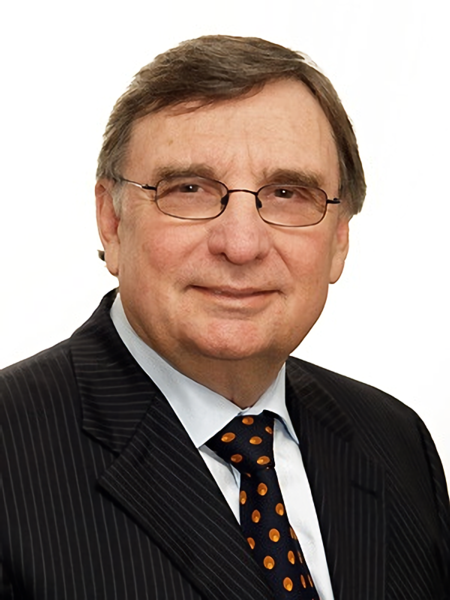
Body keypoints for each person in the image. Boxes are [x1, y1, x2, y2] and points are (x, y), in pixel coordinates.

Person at [1, 35, 449, 600]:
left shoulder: (395, 441)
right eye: (188, 189)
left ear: (339, 240)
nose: (241, 245)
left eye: (287, 193)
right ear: (111, 222)